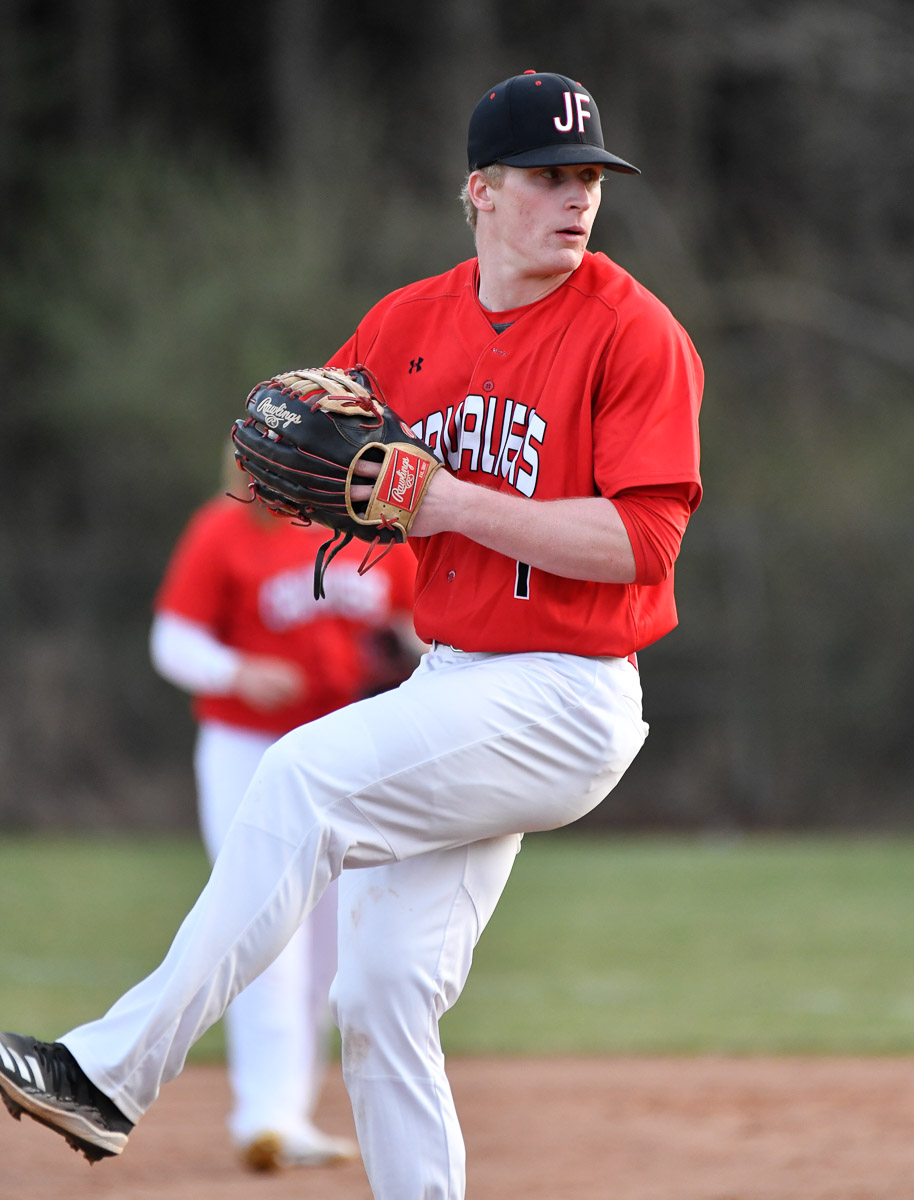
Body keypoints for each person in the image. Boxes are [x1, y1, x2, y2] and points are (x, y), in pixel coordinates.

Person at [0, 70, 703, 1200]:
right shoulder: (406, 323)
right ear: (479, 191)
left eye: (588, 177)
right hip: (456, 679)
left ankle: (108, 1074)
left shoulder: (634, 332)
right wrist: (286, 463)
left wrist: (447, 501)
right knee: (380, 995)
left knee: (297, 779)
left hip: (567, 690)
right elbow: (298, 446)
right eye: (545, 176)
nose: (575, 197)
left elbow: (643, 542)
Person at [147, 446, 420, 1171]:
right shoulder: (226, 529)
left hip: (350, 749)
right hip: (250, 746)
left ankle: (288, 1115)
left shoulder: (379, 532)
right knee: (266, 924)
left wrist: (409, 652)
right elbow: (173, 639)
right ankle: (264, 1114)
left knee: (333, 941)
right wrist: (235, 670)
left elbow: (414, 626)